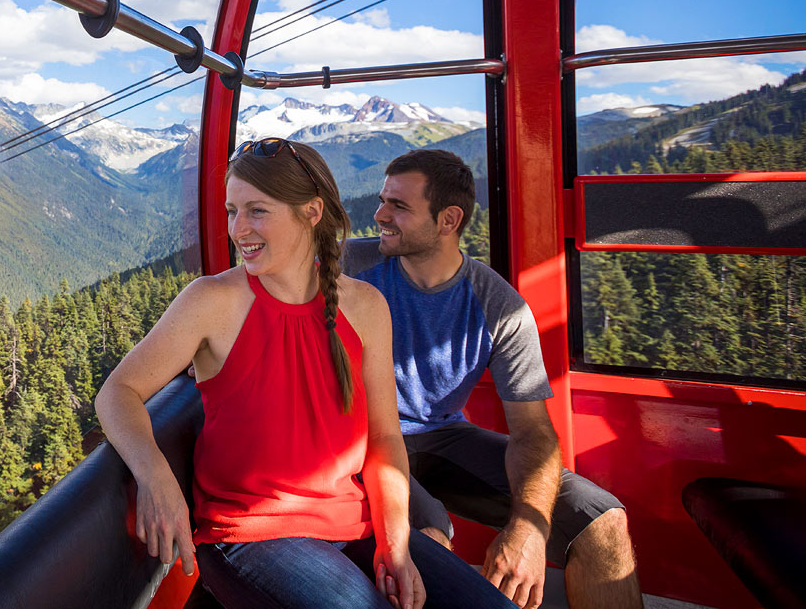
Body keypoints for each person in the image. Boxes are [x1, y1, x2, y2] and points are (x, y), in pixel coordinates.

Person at [96, 138, 514, 609]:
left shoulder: (365, 307)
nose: (238, 229)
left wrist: (395, 541)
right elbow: (118, 392)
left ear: (312, 212)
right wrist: (155, 476)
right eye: (232, 211)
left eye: (257, 211)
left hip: (352, 524)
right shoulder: (213, 301)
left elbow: (383, 439)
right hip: (251, 535)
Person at [343, 149, 642, 609]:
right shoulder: (348, 265)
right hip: (362, 436)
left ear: (449, 220)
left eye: (398, 206)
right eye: (383, 200)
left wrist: (529, 526)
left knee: (603, 522)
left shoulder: (498, 307)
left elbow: (533, 431)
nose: (379, 215)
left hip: (443, 437)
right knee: (429, 538)